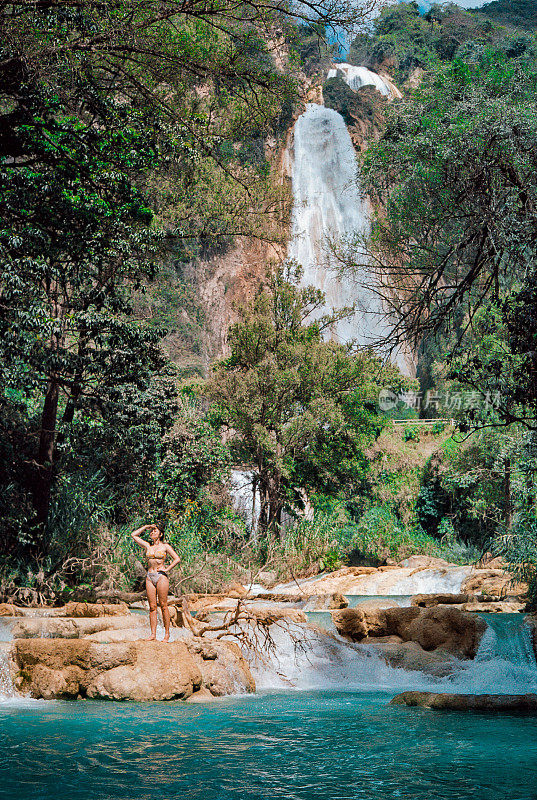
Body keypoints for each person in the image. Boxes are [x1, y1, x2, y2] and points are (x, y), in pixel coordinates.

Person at [131, 523, 180, 642]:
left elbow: (177, 558)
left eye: (155, 531)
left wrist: (167, 569)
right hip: (149, 576)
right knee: (152, 607)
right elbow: (134, 535)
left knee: (163, 605)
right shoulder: (148, 546)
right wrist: (146, 526)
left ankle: (166, 634)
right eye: (151, 531)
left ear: (161, 534)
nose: (152, 532)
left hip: (161, 576)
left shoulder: (165, 546)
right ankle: (153, 634)